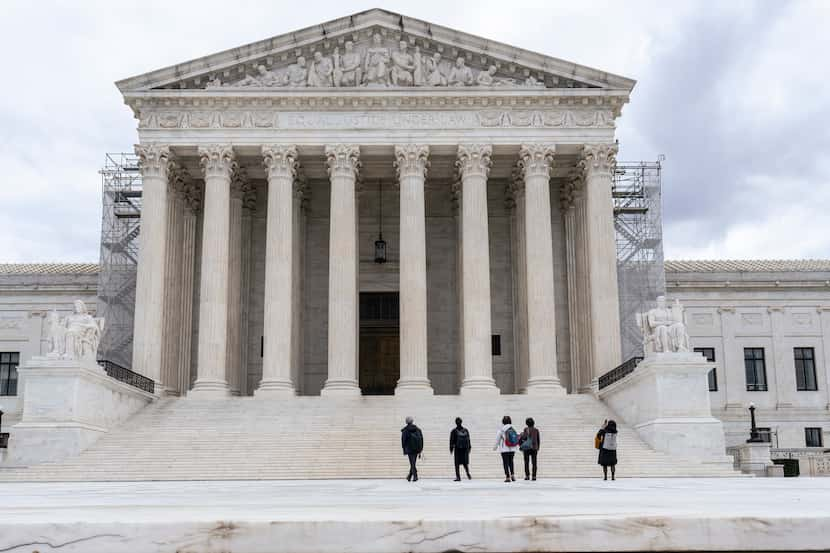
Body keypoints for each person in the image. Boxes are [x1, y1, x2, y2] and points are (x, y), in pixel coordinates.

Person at [493, 415, 519, 482]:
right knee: (511, 461)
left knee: (505, 462)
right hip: (512, 448)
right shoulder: (513, 428)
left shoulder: (501, 430)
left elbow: (497, 439)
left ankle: (507, 477)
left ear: (503, 422)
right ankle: (513, 475)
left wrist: (495, 447)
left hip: (504, 449)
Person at [401, 416, 423, 482]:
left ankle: (415, 476)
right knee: (413, 462)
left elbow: (403, 440)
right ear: (412, 421)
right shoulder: (418, 429)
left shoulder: (405, 430)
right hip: (416, 448)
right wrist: (421, 449)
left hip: (409, 448)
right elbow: (421, 439)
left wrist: (404, 448)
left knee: (412, 463)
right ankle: (409, 476)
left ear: (406, 422)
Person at [449, 417, 472, 481]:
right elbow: (469, 440)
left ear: (455, 423)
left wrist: (451, 449)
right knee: (465, 463)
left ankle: (458, 477)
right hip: (464, 449)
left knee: (457, 464)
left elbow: (451, 441)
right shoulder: (466, 430)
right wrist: (469, 447)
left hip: (457, 449)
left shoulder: (454, 431)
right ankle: (468, 474)